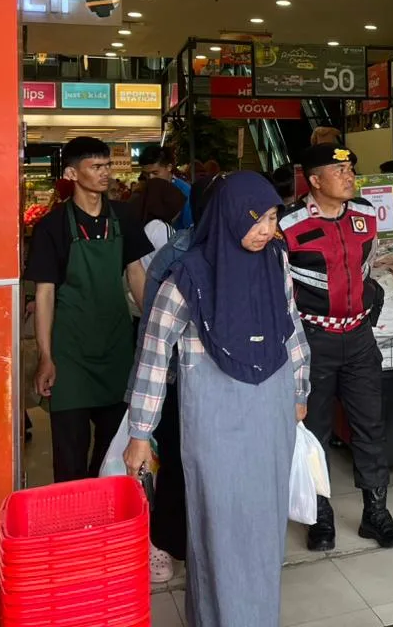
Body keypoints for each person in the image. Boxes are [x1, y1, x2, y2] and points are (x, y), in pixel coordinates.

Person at [124, 171, 309, 626]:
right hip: (214, 419)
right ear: (227, 216)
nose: (266, 229)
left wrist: (300, 390)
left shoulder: (276, 261)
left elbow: (291, 328)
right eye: (256, 219)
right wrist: (140, 432)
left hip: (272, 410)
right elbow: (153, 353)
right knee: (218, 526)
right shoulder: (186, 275)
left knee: (265, 524)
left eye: (272, 218)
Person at [280, 144, 393, 551]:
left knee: (370, 426)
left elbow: (368, 268)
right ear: (314, 181)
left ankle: (376, 514)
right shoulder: (288, 224)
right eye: (339, 170)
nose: (349, 175)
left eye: (350, 167)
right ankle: (320, 516)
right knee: (314, 431)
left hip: (358, 338)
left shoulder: (365, 215)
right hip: (312, 340)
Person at [25, 137, 152, 483]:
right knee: (70, 457)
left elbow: (136, 273)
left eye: (107, 165)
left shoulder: (124, 217)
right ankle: (74, 514)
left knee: (113, 453)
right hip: (70, 354)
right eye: (95, 167)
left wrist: (155, 328)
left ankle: (105, 512)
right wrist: (46, 356)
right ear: (71, 173)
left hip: (116, 349)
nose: (105, 173)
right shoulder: (52, 226)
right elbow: (45, 294)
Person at [129, 175, 222, 585]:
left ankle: (207, 543)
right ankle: (164, 541)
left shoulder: (257, 250)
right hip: (179, 380)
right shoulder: (176, 253)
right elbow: (154, 331)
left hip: (228, 385)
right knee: (178, 463)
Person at [140, 144, 193, 229]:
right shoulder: (146, 191)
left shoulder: (185, 191)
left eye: (155, 173)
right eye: (146, 174)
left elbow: (189, 228)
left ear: (169, 167)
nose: (151, 177)